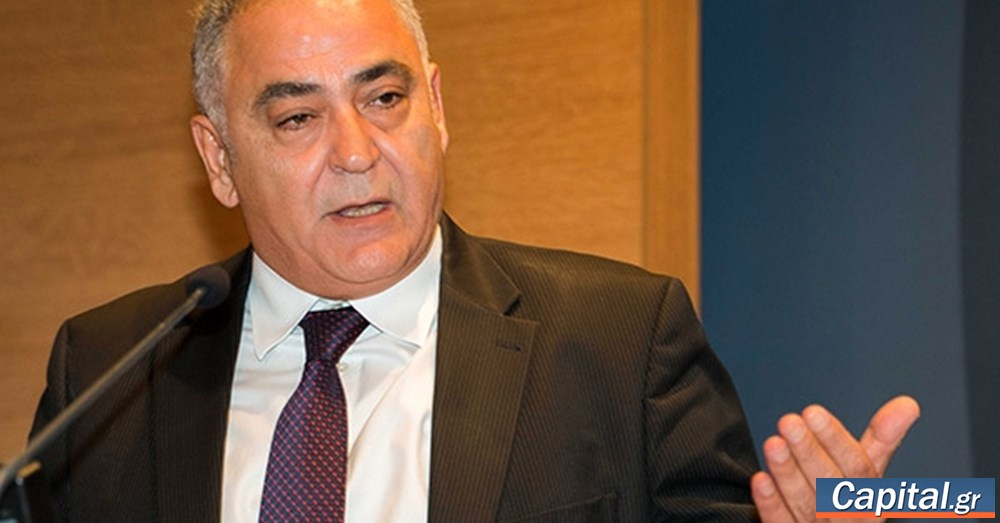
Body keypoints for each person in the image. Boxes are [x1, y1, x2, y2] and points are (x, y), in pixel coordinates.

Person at [30, 0, 921, 521]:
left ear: (438, 107)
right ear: (219, 158)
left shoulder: (620, 344)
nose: (357, 152)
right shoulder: (111, 370)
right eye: (298, 117)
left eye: (385, 97)